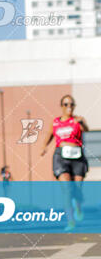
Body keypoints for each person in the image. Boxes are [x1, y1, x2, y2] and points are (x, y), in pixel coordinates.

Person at [41, 94, 89, 230]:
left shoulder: (78, 120)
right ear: (61, 106)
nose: (69, 107)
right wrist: (44, 147)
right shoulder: (56, 121)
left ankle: (78, 208)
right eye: (66, 104)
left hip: (77, 156)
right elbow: (50, 135)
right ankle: (70, 221)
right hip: (61, 157)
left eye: (71, 104)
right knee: (67, 189)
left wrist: (82, 124)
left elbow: (86, 130)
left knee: (77, 188)